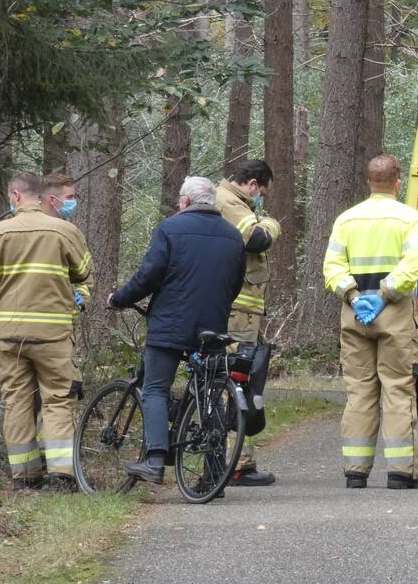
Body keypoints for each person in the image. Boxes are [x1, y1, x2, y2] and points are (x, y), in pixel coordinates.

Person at [108, 176, 245, 485]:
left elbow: (148, 275)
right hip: (213, 326)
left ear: (184, 201)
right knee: (212, 393)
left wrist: (119, 298)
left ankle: (155, 461)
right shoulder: (233, 235)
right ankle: (213, 474)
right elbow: (235, 284)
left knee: (155, 388)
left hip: (170, 324)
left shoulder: (170, 228)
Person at [0, 172, 94, 491]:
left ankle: (24, 478)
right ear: (40, 196)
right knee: (58, 400)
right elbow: (83, 273)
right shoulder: (66, 231)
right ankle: (61, 474)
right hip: (53, 336)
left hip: (9, 337)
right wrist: (74, 303)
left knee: (17, 402)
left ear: (14, 196)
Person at [322, 154, 418, 490]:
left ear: (368, 181)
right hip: (394, 314)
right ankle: (401, 472)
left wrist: (354, 297)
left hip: (355, 315)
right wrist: (383, 296)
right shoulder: (409, 219)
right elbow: (410, 268)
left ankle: (356, 471)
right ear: (398, 180)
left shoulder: (346, 220)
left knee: (359, 392)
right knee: (397, 390)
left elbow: (332, 269)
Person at [216, 159, 281, 487]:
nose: (261, 201)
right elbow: (255, 239)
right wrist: (271, 224)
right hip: (237, 311)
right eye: (262, 194)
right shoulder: (229, 203)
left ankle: (236, 461)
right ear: (253, 184)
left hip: (241, 311)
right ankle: (238, 464)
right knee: (239, 383)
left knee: (238, 382)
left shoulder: (231, 202)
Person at [42, 173, 90, 311]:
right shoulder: (23, 228)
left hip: (58, 318)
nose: (73, 201)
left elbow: (87, 275)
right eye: (69, 197)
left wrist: (80, 299)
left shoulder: (71, 232)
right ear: (52, 199)